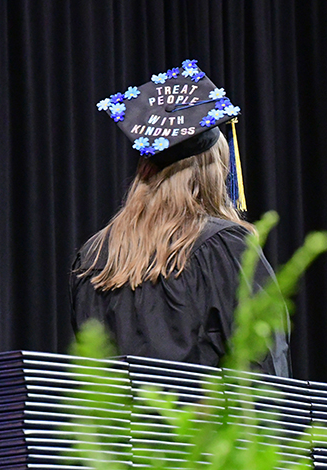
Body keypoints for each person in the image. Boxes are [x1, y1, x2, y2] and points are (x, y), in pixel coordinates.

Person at [71, 60, 290, 377]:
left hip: (121, 427)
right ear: (213, 170)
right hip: (201, 426)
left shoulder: (94, 257)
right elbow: (262, 364)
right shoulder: (224, 245)